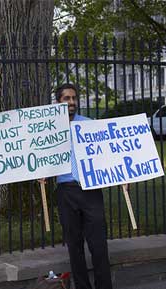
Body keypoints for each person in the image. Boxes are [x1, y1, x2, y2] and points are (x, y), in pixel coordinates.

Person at [49, 83, 112, 289]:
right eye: (66, 98)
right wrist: (41, 175)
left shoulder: (89, 124)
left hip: (91, 190)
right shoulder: (48, 129)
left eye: (74, 98)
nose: (72, 102)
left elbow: (106, 156)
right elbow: (42, 159)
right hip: (66, 191)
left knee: (99, 245)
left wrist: (123, 178)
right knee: (74, 247)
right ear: (58, 101)